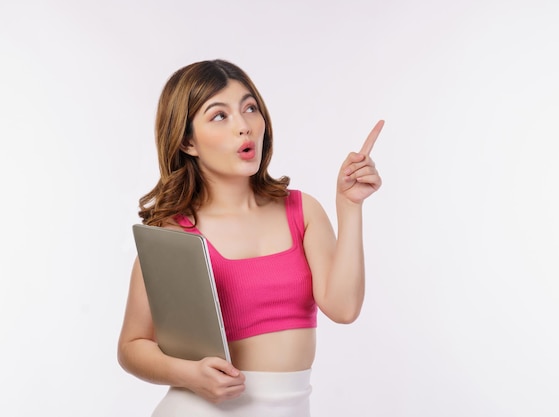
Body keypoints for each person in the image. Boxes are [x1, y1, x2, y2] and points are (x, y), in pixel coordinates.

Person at [117, 59, 384, 417]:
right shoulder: (175, 235)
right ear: (187, 141)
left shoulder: (301, 211)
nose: (243, 126)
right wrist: (189, 374)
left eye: (250, 108)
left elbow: (344, 308)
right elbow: (132, 345)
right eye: (219, 116)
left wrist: (349, 206)